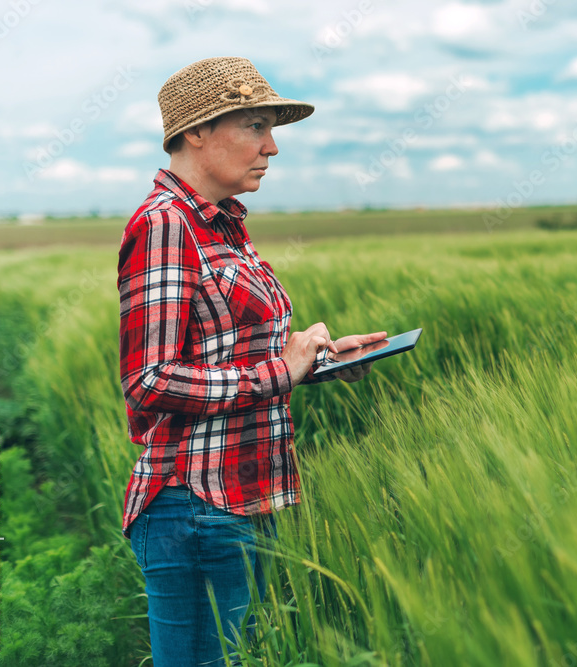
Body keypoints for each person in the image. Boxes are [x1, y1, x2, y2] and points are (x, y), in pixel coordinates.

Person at [117, 56, 387, 666]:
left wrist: (316, 361)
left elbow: (228, 353)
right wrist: (279, 373)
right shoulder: (166, 225)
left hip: (246, 500)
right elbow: (149, 380)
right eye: (255, 127)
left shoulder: (224, 227)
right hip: (197, 509)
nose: (271, 146)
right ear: (196, 133)